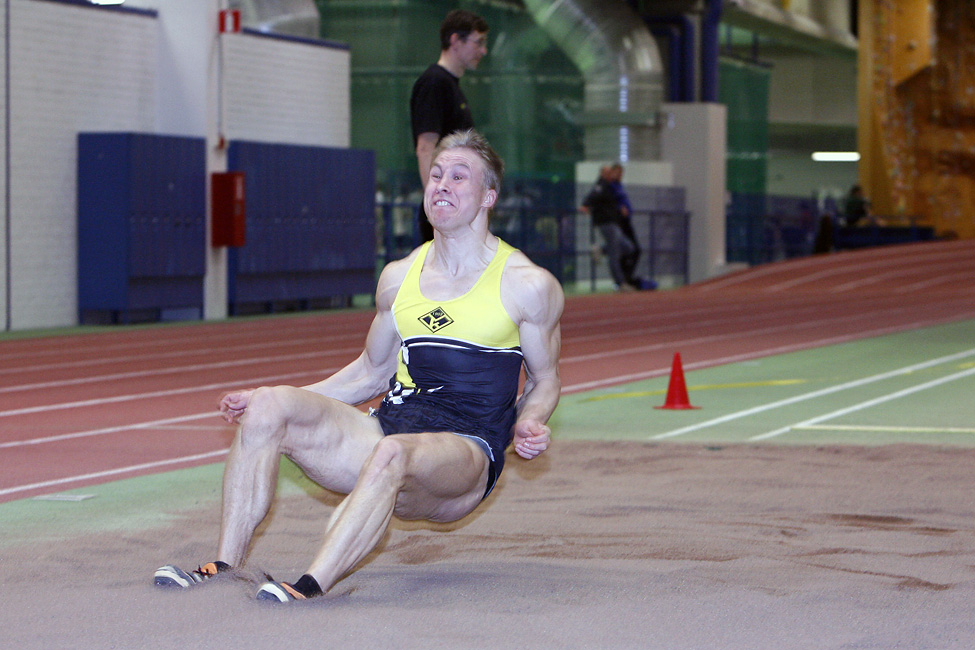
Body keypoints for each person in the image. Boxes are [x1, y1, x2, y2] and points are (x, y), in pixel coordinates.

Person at [153, 129, 564, 603]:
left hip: (465, 453)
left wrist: (530, 421)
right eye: (435, 175)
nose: (442, 185)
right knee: (270, 407)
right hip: (388, 429)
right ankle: (224, 566)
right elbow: (371, 372)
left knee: (393, 454)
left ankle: (309, 587)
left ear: (489, 196)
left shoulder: (526, 284)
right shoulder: (398, 277)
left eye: (458, 176)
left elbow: (545, 378)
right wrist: (282, 394)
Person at [410, 9, 489, 243]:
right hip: (445, 212)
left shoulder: (452, 86)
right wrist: (436, 205)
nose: (483, 51)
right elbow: (425, 147)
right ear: (455, 40)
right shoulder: (435, 82)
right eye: (479, 42)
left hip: (456, 208)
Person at [580, 164, 641, 291]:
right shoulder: (601, 185)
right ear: (602, 173)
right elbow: (592, 196)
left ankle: (601, 250)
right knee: (615, 253)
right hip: (606, 223)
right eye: (608, 172)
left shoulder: (610, 186)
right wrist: (585, 205)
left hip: (614, 222)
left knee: (628, 247)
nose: (611, 174)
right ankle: (621, 283)